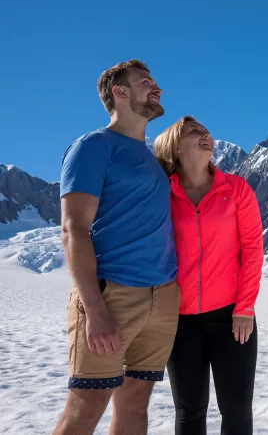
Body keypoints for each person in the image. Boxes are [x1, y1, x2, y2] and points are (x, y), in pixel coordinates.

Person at [54, 60, 180, 435]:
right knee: (87, 403)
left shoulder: (153, 158)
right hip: (113, 295)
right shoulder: (93, 146)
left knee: (136, 403)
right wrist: (94, 308)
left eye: (155, 82)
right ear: (120, 93)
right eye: (146, 83)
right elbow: (73, 228)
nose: (157, 89)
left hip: (162, 298)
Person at [154, 115, 264, 434]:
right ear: (176, 146)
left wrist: (244, 308)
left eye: (206, 130)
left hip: (232, 319)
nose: (206, 134)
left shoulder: (236, 188)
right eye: (195, 131)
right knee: (189, 411)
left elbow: (253, 251)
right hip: (180, 320)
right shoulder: (163, 194)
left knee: (237, 411)